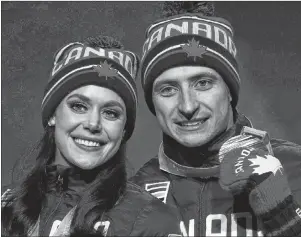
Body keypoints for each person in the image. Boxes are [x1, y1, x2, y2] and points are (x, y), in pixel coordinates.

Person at [131, 2, 301, 237]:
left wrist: (284, 216)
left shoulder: (295, 168)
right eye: (168, 89)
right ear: (152, 101)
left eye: (203, 83)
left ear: (230, 91)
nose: (187, 106)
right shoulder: (133, 194)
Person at [1, 35, 181, 237]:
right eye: (79, 106)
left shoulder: (152, 220)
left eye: (110, 113)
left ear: (123, 130)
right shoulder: (5, 205)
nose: (93, 124)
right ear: (52, 114)